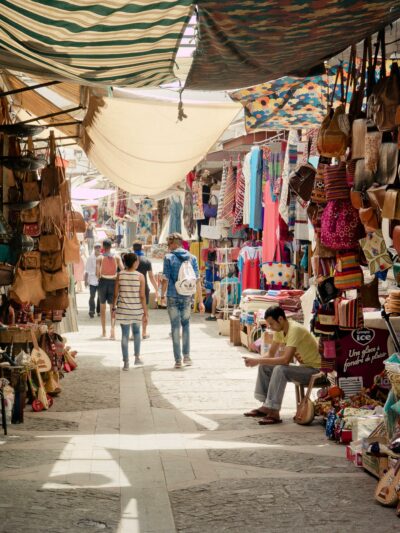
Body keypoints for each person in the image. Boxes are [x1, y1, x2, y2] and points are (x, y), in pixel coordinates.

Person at [243, 305, 321, 425]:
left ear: (280, 319)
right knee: (265, 367)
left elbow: (285, 360)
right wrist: (255, 359)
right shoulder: (280, 330)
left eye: (271, 324)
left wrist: (257, 361)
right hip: (305, 368)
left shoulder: (294, 329)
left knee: (280, 369)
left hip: (316, 371)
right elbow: (270, 354)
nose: (270, 327)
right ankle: (266, 406)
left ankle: (274, 411)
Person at [161, 232, 204, 368]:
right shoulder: (192, 258)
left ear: (174, 243)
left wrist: (162, 295)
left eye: (169, 244)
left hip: (173, 296)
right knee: (186, 325)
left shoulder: (168, 258)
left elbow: (165, 279)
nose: (168, 247)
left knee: (175, 327)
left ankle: (177, 360)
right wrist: (201, 301)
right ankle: (187, 357)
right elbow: (197, 281)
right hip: (187, 296)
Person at [112, 253, 148, 371]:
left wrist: (113, 308)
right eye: (136, 261)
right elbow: (142, 296)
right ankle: (137, 358)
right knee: (137, 333)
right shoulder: (140, 276)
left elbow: (115, 294)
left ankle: (126, 362)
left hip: (123, 310)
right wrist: (145, 312)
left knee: (125, 335)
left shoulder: (120, 275)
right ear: (134, 262)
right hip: (136, 310)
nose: (138, 263)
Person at [96, 239, 124, 339]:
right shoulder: (117, 257)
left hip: (103, 282)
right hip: (113, 283)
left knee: (102, 308)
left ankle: (104, 331)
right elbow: (122, 269)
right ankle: (113, 330)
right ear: (111, 246)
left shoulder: (99, 258)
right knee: (113, 308)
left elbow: (97, 273)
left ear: (103, 247)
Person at [132, 241, 158, 339]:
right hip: (144, 288)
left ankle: (133, 333)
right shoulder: (146, 261)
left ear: (133, 248)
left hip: (132, 288)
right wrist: (156, 289)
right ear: (142, 248)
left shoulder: (129, 260)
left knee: (133, 311)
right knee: (144, 311)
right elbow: (151, 277)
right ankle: (144, 332)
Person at [84, 242, 101, 318]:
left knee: (100, 296)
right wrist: (85, 280)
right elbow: (87, 270)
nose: (98, 249)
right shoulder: (90, 258)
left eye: (99, 247)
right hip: (92, 280)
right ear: (94, 248)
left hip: (100, 280)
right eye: (96, 247)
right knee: (92, 296)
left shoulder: (102, 257)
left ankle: (99, 311)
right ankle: (91, 310)